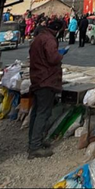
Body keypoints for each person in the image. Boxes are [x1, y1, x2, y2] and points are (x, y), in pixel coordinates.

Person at [28, 18, 65, 158]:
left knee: (36, 112)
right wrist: (61, 54)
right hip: (46, 80)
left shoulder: (39, 38)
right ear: (58, 29)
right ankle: (35, 147)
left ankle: (34, 141)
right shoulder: (49, 40)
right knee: (43, 113)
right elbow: (53, 58)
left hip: (37, 78)